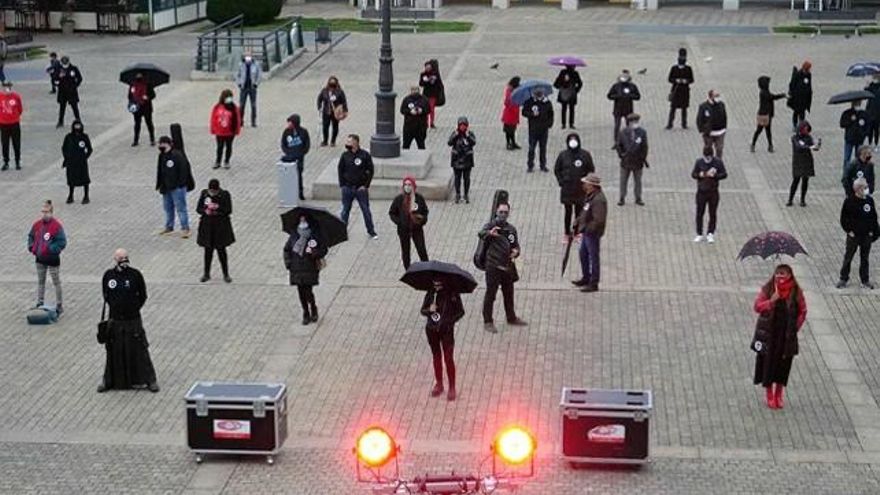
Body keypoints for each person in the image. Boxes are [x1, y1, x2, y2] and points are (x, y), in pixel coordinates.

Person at [99, 248, 159, 393]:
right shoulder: (109, 275)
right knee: (113, 350)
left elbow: (143, 295)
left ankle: (150, 380)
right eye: (121, 258)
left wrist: (134, 308)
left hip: (133, 319)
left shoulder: (135, 275)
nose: (124, 260)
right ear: (115, 259)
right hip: (115, 320)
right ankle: (109, 380)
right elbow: (105, 295)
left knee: (140, 348)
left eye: (125, 257)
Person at [753, 264, 806, 409]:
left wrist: (795, 327)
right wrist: (771, 301)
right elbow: (757, 306)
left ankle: (779, 394)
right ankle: (769, 394)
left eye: (783, 274)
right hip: (770, 334)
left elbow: (803, 310)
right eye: (778, 273)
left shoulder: (796, 291)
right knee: (768, 364)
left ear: (790, 275)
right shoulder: (768, 288)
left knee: (783, 366)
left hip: (786, 335)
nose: (780, 277)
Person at [479, 202, 527, 333]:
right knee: (491, 294)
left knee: (508, 293)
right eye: (501, 212)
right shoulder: (491, 226)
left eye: (506, 212)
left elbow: (516, 245)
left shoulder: (511, 229)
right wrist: (490, 233)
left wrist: (516, 252)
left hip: (507, 266)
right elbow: (481, 233)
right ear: (496, 212)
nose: (503, 215)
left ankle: (511, 317)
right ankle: (488, 321)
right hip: (493, 266)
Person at [420, 279, 464, 401]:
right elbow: (422, 310)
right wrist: (430, 310)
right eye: (435, 284)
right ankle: (439, 384)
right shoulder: (431, 293)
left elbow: (460, 312)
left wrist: (449, 321)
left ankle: (452, 387)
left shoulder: (452, 294)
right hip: (432, 330)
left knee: (448, 358)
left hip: (446, 331)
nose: (437, 287)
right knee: (436, 357)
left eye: (439, 284)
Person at [283, 215, 327, 325]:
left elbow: (323, 249)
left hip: (309, 267)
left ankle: (313, 308)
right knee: (300, 292)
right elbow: (287, 249)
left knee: (308, 291)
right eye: (300, 219)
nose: (302, 221)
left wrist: (315, 253)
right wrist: (288, 263)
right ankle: (305, 313)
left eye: (304, 219)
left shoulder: (314, 235)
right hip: (296, 267)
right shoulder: (294, 234)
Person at [837, 178, 879, 290]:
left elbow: (874, 217)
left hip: (866, 236)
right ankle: (843, 278)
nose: (866, 189)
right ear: (858, 189)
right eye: (864, 187)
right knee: (848, 257)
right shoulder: (850, 201)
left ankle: (865, 280)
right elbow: (843, 218)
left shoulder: (869, 201)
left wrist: (874, 232)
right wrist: (849, 231)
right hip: (854, 236)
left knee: (865, 258)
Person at [27, 200, 66, 316]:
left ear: (51, 213)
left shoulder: (56, 226)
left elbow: (62, 242)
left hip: (52, 259)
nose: (44, 214)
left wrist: (50, 249)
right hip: (39, 259)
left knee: (56, 282)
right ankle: (40, 302)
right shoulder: (37, 225)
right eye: (43, 212)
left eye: (47, 212)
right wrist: (31, 247)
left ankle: (59, 304)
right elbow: (31, 236)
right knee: (41, 281)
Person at [554, 132, 594, 240]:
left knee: (579, 212)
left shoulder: (585, 155)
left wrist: (587, 183)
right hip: (567, 189)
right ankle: (567, 233)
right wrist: (561, 181)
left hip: (580, 189)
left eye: (574, 140)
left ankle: (577, 232)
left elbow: (591, 170)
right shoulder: (563, 155)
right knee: (568, 212)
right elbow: (557, 169)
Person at [338, 134, 377, 239]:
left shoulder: (364, 155)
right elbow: (340, 170)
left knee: (366, 210)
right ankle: (341, 232)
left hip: (360, 189)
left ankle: (371, 231)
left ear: (356, 142)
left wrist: (366, 185)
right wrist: (342, 185)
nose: (348, 143)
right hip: (347, 188)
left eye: (350, 141)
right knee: (345, 211)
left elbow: (371, 170)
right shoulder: (345, 155)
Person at [572, 173, 607, 293]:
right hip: (587, 232)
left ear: (592, 185)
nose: (584, 185)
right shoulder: (590, 196)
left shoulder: (598, 200)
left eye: (586, 183)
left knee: (593, 257)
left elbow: (599, 220)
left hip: (592, 234)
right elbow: (584, 211)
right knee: (583, 255)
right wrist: (577, 221)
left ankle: (594, 282)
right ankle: (586, 277)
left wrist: (587, 228)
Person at [155, 135, 194, 238]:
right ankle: (169, 226)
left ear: (166, 144)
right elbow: (160, 170)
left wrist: (180, 184)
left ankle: (185, 228)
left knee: (181, 208)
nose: (159, 146)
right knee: (168, 208)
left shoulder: (177, 155)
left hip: (177, 187)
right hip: (166, 187)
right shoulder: (162, 155)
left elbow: (184, 170)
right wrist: (159, 184)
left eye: (161, 143)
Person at [196, 179, 234, 283]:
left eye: (214, 191)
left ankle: (226, 274)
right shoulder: (204, 194)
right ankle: (206, 273)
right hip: (207, 227)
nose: (212, 193)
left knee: (221, 251)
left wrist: (216, 209)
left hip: (220, 228)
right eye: (211, 191)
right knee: (208, 252)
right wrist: (206, 211)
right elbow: (199, 209)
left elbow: (228, 210)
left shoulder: (224, 195)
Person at [389, 176, 429, 269]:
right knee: (406, 252)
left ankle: (427, 269)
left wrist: (422, 220)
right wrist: (400, 222)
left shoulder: (419, 198)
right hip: (403, 230)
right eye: (405, 185)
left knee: (421, 249)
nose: (407, 187)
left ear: (413, 186)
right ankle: (408, 270)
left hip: (417, 229)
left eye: (409, 185)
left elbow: (425, 211)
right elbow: (392, 213)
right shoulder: (399, 199)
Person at [691, 146, 727, 243]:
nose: (707, 159)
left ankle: (710, 233)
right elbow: (693, 174)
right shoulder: (699, 162)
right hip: (701, 192)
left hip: (713, 192)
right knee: (699, 213)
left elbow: (724, 174)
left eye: (709, 157)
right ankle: (699, 233)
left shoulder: (718, 162)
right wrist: (700, 175)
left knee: (712, 213)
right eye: (706, 157)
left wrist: (715, 175)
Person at [616, 113, 649, 206]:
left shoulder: (642, 132)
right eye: (633, 121)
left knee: (638, 181)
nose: (635, 123)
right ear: (629, 122)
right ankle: (622, 197)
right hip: (626, 161)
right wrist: (621, 155)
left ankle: (638, 198)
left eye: (636, 121)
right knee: (623, 181)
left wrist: (642, 158)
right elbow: (619, 145)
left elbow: (644, 147)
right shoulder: (623, 132)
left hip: (637, 161)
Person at [751, 76, 786, 153]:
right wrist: (782, 95)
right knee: (760, 130)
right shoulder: (764, 93)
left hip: (766, 114)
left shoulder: (764, 91)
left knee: (767, 131)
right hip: (764, 115)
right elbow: (773, 97)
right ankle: (754, 144)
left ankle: (769, 145)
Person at [521, 88, 553, 173]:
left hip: (544, 129)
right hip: (533, 129)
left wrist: (549, 124)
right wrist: (531, 114)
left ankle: (543, 165)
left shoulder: (547, 102)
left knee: (543, 148)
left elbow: (551, 114)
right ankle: (530, 165)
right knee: (532, 148)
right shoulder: (529, 102)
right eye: (537, 94)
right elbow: (524, 112)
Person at [788, 120, 819, 207]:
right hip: (798, 161)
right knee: (796, 180)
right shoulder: (795, 138)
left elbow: (814, 147)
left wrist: (817, 146)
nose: (806, 130)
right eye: (805, 129)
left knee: (805, 180)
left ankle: (802, 199)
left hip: (807, 160)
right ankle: (790, 199)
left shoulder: (808, 137)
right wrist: (809, 147)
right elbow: (798, 146)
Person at [606, 69, 641, 147]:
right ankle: (616, 142)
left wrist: (630, 96)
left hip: (628, 110)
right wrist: (617, 96)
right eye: (623, 76)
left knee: (629, 126)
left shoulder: (632, 86)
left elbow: (638, 96)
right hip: (618, 109)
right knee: (617, 126)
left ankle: (630, 141)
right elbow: (609, 96)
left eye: (626, 76)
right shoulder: (616, 86)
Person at [280, 113, 311, 201]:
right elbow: (283, 144)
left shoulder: (303, 132)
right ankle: (289, 193)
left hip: (299, 157)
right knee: (289, 175)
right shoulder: (286, 132)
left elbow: (307, 145)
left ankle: (300, 192)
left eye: (290, 122)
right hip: (289, 157)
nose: (289, 124)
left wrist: (301, 153)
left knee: (299, 175)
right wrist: (288, 153)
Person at [209, 89, 242, 169]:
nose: (229, 99)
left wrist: (237, 130)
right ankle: (218, 161)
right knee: (219, 147)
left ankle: (227, 161)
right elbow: (213, 118)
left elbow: (237, 120)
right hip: (219, 132)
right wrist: (213, 129)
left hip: (230, 132)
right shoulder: (217, 107)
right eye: (227, 97)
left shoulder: (234, 108)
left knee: (229, 146)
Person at [62, 120, 92, 204]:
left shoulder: (84, 137)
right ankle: (71, 195)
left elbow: (89, 149)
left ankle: (86, 196)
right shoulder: (68, 137)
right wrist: (67, 157)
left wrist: (85, 157)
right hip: (71, 162)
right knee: (71, 179)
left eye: (79, 126)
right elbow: (64, 148)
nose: (77, 128)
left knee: (85, 179)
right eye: (76, 126)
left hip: (81, 162)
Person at [448, 116, 476, 203]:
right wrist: (455, 135)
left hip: (467, 159)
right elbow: (449, 142)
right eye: (461, 125)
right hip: (457, 160)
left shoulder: (470, 134)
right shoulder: (455, 133)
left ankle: (466, 194)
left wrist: (468, 136)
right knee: (457, 178)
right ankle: (458, 194)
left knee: (466, 178)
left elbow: (473, 142)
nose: (462, 127)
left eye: (464, 125)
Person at [666, 48, 694, 130]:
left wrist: (686, 81)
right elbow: (669, 79)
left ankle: (684, 124)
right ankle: (670, 124)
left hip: (684, 91)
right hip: (676, 90)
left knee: (684, 108)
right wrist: (676, 80)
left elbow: (692, 79)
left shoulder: (688, 69)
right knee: (673, 108)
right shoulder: (674, 68)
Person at [316, 76, 347, 147]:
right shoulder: (324, 91)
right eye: (330, 83)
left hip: (336, 112)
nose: (332, 85)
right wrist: (319, 107)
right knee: (325, 127)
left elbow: (344, 101)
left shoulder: (339, 91)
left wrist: (345, 111)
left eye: (333, 83)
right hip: (326, 112)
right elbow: (319, 99)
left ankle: (333, 141)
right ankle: (325, 141)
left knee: (335, 126)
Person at [696, 89, 727, 159]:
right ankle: (708, 162)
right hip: (709, 133)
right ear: (711, 97)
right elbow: (699, 119)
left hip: (720, 132)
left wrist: (724, 127)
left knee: (719, 149)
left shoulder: (721, 105)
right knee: (708, 149)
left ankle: (718, 164)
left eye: (718, 96)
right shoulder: (703, 106)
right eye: (716, 96)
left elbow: (724, 116)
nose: (718, 98)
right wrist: (702, 130)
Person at [840, 101, 870, 168]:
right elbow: (842, 124)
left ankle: (857, 173)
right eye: (855, 104)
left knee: (859, 158)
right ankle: (846, 174)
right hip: (849, 139)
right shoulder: (847, 113)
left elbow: (868, 125)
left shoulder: (864, 114)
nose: (857, 105)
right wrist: (850, 120)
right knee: (847, 158)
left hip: (859, 139)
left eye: (858, 104)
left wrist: (864, 134)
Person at [54, 56, 82, 128]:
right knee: (62, 108)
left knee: (74, 107)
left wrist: (75, 85)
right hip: (62, 92)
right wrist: (58, 82)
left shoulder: (73, 68)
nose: (65, 64)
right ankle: (60, 121)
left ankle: (78, 120)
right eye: (63, 63)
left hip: (72, 92)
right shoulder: (59, 69)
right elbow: (55, 79)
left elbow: (80, 78)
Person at [128, 73, 156, 147]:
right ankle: (136, 140)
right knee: (137, 124)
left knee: (149, 123)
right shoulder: (133, 84)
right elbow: (129, 95)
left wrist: (147, 97)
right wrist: (132, 101)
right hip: (137, 107)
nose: (138, 76)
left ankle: (152, 139)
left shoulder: (148, 84)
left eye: (140, 75)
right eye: (137, 75)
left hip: (146, 107)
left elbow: (153, 95)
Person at [0, 80, 22, 171]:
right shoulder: (0, 97)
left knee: (16, 143)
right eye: (5, 87)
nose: (6, 89)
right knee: (5, 144)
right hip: (3, 124)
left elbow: (20, 109)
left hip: (14, 123)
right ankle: (6, 161)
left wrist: (15, 116)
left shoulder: (16, 97)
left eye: (8, 87)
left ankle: (17, 161)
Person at [553, 64, 583, 129]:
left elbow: (556, 83)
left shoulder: (563, 72)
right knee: (571, 109)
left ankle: (564, 124)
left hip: (565, 93)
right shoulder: (574, 73)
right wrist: (576, 90)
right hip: (571, 93)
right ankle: (570, 124)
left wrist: (561, 87)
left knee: (564, 109)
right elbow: (580, 83)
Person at [236, 53, 261, 127]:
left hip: (252, 87)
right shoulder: (241, 65)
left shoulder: (256, 65)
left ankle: (253, 121)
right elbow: (237, 75)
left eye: (249, 56)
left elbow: (259, 75)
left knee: (253, 105)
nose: (248, 58)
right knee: (241, 105)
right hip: (243, 87)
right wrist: (239, 83)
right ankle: (240, 121)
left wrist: (256, 83)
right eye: (246, 56)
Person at [400, 86, 429, 150]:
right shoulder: (406, 99)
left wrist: (421, 111)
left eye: (416, 90)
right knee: (406, 145)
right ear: (411, 91)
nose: (415, 91)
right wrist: (410, 111)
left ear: (419, 91)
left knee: (421, 145)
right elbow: (402, 110)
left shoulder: (424, 99)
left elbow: (428, 110)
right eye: (413, 90)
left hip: (420, 127)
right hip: (409, 127)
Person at [787, 61, 812, 132]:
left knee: (802, 112)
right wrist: (792, 93)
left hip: (804, 98)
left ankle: (801, 125)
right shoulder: (798, 74)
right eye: (807, 69)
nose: (808, 70)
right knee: (796, 112)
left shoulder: (809, 75)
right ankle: (794, 125)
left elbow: (809, 84)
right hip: (797, 97)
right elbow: (792, 84)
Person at [419, 59, 444, 129]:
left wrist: (433, 81)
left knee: (431, 108)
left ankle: (432, 123)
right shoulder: (423, 74)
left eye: (429, 67)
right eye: (426, 67)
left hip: (433, 94)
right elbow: (421, 84)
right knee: (426, 109)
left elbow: (439, 83)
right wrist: (426, 81)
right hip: (426, 94)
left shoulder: (435, 74)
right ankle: (426, 123)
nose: (427, 68)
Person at [501, 76, 521, 151]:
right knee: (508, 130)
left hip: (514, 114)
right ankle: (508, 143)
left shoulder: (515, 90)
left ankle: (513, 142)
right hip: (509, 114)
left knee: (513, 129)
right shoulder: (509, 91)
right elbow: (506, 102)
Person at [866, 74, 880, 146]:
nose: (875, 78)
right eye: (874, 77)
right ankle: (870, 143)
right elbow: (865, 92)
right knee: (870, 129)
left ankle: (876, 144)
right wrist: (867, 85)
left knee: (876, 129)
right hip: (870, 111)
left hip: (878, 111)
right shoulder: (871, 86)